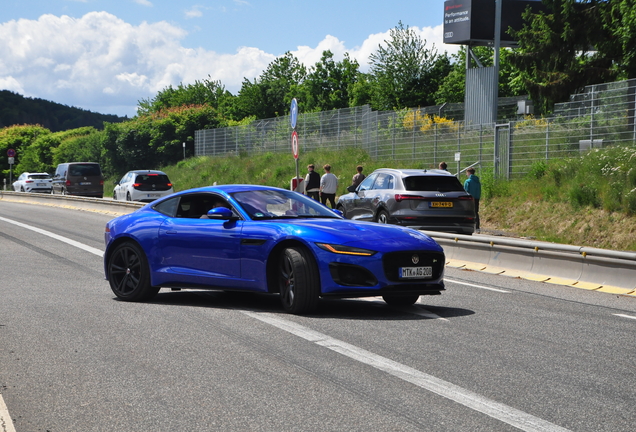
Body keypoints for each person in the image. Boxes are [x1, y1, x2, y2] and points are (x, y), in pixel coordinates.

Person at [464, 167, 482, 232]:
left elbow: (466, 191)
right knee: (476, 212)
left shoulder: (468, 181)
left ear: (469, 173)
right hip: (476, 198)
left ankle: (467, 226)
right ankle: (477, 228)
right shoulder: (477, 181)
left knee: (467, 212)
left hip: (469, 199)